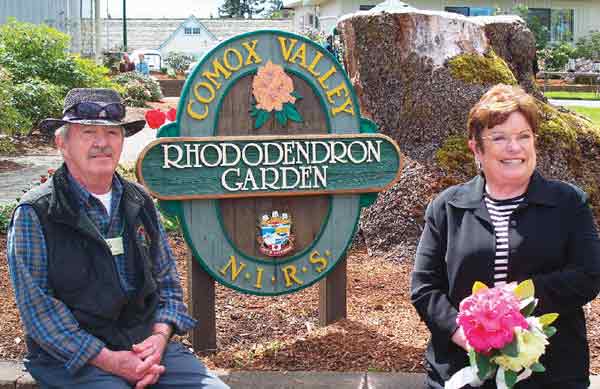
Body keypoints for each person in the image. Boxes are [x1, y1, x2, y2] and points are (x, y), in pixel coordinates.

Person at [7, 88, 229, 389]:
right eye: (88, 132)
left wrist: (158, 338)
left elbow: (167, 283)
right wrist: (112, 361)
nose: (102, 143)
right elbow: (40, 313)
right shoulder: (35, 213)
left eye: (112, 132)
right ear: (62, 143)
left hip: (145, 346)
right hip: (73, 358)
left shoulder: (140, 201)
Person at [410, 84, 600, 389]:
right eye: (499, 138)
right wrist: (466, 334)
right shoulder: (447, 207)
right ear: (475, 147)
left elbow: (589, 275)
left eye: (523, 136)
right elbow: (424, 288)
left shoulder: (568, 203)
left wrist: (518, 298)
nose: (515, 148)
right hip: (462, 371)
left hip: (551, 374)